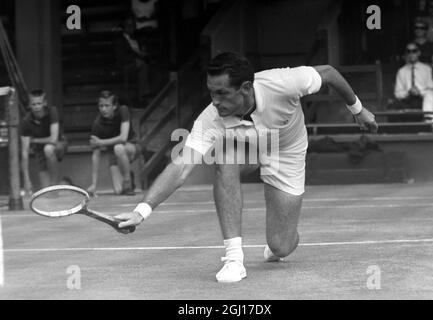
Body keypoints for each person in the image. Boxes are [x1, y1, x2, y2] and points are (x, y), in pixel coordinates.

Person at [114, 52, 378, 283]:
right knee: (225, 160)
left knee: (281, 246)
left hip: (286, 149)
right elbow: (182, 165)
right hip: (245, 148)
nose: (215, 101)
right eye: (211, 92)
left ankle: (283, 231)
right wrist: (142, 211)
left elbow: (330, 74)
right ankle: (233, 258)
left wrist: (358, 109)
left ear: (246, 88)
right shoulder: (211, 118)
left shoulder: (284, 83)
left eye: (222, 93)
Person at [87, 91, 140, 196]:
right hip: (113, 156)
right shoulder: (97, 124)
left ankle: (127, 183)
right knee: (119, 191)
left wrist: (101, 142)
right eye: (101, 106)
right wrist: (94, 184)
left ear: (115, 106)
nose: (103, 109)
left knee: (119, 148)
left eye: (107, 105)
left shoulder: (123, 111)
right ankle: (128, 175)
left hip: (131, 147)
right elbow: (96, 154)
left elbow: (123, 138)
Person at [20, 89, 68, 195]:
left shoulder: (52, 111)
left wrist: (34, 140)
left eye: (39, 103)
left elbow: (54, 139)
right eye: (34, 104)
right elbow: (24, 153)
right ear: (29, 105)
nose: (36, 107)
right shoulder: (26, 121)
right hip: (39, 151)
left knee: (48, 149)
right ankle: (58, 186)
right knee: (46, 193)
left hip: (59, 145)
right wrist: (26, 180)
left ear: (44, 103)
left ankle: (54, 183)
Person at [390, 42, 433, 121]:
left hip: (422, 100)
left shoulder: (427, 69)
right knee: (392, 108)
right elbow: (397, 93)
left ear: (418, 53)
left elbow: (432, 89)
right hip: (407, 101)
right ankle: (396, 132)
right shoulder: (401, 71)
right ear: (406, 53)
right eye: (408, 51)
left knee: (430, 105)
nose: (411, 53)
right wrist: (408, 92)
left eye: (414, 51)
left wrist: (419, 91)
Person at [114, 16, 151, 105]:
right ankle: (142, 95)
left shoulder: (136, 39)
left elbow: (138, 52)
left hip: (136, 64)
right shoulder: (120, 40)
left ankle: (145, 95)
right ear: (124, 27)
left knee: (146, 65)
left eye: (132, 25)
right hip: (125, 65)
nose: (130, 27)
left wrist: (142, 54)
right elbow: (121, 56)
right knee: (142, 65)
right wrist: (134, 60)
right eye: (128, 25)